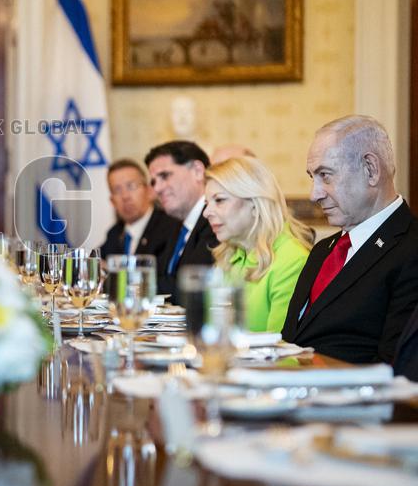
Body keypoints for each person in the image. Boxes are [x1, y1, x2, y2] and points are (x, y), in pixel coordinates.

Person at [281, 115, 418, 364]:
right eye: (313, 177)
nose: (314, 194)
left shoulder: (411, 249)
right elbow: (292, 339)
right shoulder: (323, 250)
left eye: (325, 175)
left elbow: (395, 366)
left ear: (370, 169)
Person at [203, 157, 312, 332]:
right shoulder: (229, 256)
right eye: (207, 203)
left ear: (255, 203)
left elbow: (279, 344)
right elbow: (213, 330)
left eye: (220, 200)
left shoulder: (292, 260)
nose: (206, 212)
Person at [144, 140, 219, 299]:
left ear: (197, 171)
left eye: (164, 176)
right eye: (154, 181)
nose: (157, 188)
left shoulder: (217, 221)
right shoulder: (172, 225)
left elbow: (194, 286)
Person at [99, 159, 180, 261]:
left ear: (149, 191)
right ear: (112, 201)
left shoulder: (171, 228)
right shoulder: (114, 234)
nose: (125, 196)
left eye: (131, 186)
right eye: (117, 190)